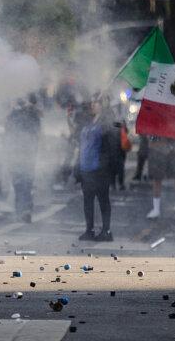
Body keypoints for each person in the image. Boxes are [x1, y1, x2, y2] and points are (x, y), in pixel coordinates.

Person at [77, 95, 114, 242]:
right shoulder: (88, 121)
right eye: (92, 102)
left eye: (96, 102)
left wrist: (105, 166)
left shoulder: (106, 122)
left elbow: (111, 145)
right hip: (86, 168)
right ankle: (89, 230)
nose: (93, 105)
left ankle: (106, 231)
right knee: (88, 200)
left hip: (99, 169)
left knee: (103, 200)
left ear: (103, 104)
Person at [4, 93, 41, 223]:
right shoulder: (32, 114)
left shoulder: (23, 114)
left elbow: (8, 130)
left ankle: (22, 211)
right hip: (22, 154)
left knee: (21, 184)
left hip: (22, 154)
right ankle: (24, 211)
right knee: (23, 184)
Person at [145, 137, 175, 219]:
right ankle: (156, 209)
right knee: (157, 179)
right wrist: (166, 144)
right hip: (158, 154)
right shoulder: (155, 128)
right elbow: (151, 143)